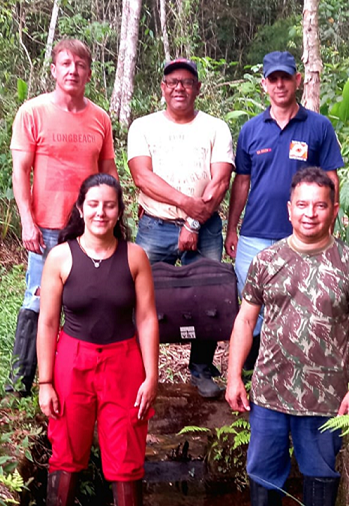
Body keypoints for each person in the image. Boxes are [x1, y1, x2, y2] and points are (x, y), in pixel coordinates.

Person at [225, 168, 349, 506]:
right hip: (269, 393)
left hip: (326, 398)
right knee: (263, 477)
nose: (310, 214)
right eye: (303, 205)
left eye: (320, 206)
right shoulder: (266, 261)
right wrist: (234, 375)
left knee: (321, 477)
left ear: (334, 210)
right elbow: (245, 318)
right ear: (289, 209)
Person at [36, 174, 159, 506]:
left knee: (126, 454)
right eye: (93, 204)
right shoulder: (60, 257)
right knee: (66, 449)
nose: (100, 212)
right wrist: (45, 382)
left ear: (120, 211)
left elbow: (146, 318)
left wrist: (151, 375)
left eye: (109, 205)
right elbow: (47, 322)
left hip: (124, 363)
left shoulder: (135, 257)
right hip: (72, 362)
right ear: (80, 208)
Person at [7, 39, 118, 397]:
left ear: (89, 72)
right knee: (38, 299)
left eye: (80, 64)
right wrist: (27, 219)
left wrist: (115, 215)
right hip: (48, 226)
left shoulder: (100, 118)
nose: (73, 70)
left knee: (87, 299)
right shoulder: (32, 112)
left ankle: (77, 376)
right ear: (54, 70)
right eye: (65, 63)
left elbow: (108, 171)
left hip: (90, 226)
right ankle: (21, 382)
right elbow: (20, 170)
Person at [224, 51, 344, 372]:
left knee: (301, 302)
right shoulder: (250, 130)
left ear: (298, 81)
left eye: (286, 78)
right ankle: (253, 368)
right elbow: (242, 182)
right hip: (254, 236)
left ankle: (298, 366)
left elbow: (331, 179)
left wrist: (328, 228)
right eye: (273, 79)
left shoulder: (318, 127)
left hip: (302, 236)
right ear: (264, 84)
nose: (280, 85)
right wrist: (232, 228)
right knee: (253, 304)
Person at [127, 57, 235, 398]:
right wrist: (186, 204)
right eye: (172, 81)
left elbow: (220, 180)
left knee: (209, 298)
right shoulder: (143, 126)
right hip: (154, 226)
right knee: (138, 296)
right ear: (162, 88)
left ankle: (201, 369)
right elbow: (142, 177)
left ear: (198, 89)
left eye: (187, 82)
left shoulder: (215, 127)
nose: (179, 87)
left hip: (205, 227)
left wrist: (192, 219)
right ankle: (141, 371)